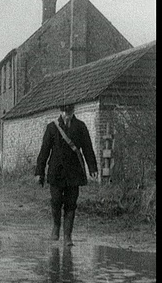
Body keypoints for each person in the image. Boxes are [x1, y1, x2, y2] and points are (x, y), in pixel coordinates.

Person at [34, 103, 98, 246]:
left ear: (73, 111)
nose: (66, 114)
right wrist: (40, 172)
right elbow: (44, 151)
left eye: (69, 111)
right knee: (56, 201)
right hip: (56, 172)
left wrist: (92, 168)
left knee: (71, 204)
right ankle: (56, 227)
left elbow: (88, 148)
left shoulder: (81, 127)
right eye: (64, 111)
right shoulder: (52, 127)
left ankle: (68, 236)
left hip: (74, 172)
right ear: (60, 111)